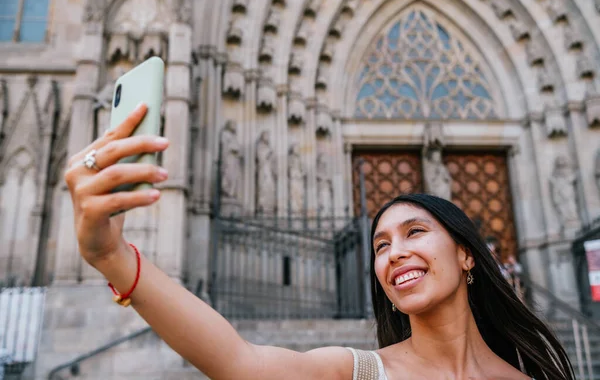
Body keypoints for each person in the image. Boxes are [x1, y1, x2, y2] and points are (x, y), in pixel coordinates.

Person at [65, 104, 573, 379]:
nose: (394, 252)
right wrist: (110, 256)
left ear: (466, 253)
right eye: (378, 245)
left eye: (415, 232)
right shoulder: (357, 374)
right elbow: (237, 362)